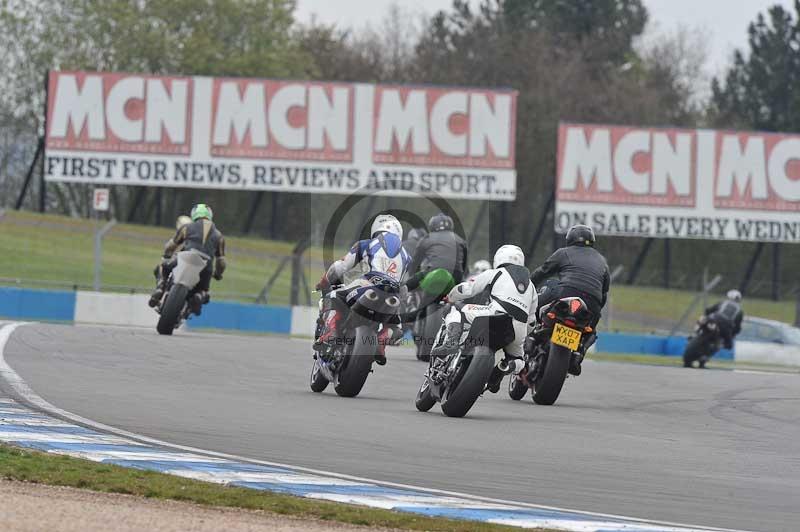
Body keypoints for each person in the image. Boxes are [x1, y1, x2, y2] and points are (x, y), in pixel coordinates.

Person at [430, 244, 536, 393]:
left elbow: (468, 289)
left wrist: (450, 297)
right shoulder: (531, 286)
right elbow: (532, 321)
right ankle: (504, 367)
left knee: (456, 310)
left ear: (498, 258)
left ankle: (451, 342)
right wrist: (523, 333)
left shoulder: (496, 272)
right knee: (519, 360)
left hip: (494, 313)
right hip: (518, 327)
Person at [315, 214, 410, 365]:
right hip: (393, 295)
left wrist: (324, 281)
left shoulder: (366, 244)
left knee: (334, 296)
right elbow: (405, 287)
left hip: (368, 284)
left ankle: (331, 333)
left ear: (376, 228)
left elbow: (341, 266)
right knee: (396, 327)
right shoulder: (407, 256)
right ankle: (381, 341)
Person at [530, 224, 609, 375]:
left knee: (549, 284)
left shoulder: (563, 252)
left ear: (570, 239)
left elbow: (542, 272)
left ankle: (533, 333)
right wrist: (595, 312)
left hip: (565, 293)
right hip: (592, 303)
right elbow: (604, 293)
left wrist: (527, 285)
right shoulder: (602, 261)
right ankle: (579, 353)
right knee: (591, 330)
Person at [149, 204, 226, 315]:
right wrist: (218, 274)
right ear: (210, 215)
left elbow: (170, 246)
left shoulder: (187, 227)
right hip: (206, 265)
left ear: (194, 214)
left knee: (162, 266)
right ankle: (198, 296)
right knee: (205, 292)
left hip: (185, 258)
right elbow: (221, 262)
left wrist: (166, 257)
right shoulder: (219, 236)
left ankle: (160, 287)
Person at [405, 213, 468, 294]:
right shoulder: (460, 240)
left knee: (408, 285)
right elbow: (464, 264)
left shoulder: (427, 238)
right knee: (465, 292)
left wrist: (412, 275)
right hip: (456, 275)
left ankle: (399, 300)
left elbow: (416, 262)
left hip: (433, 272)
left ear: (432, 225)